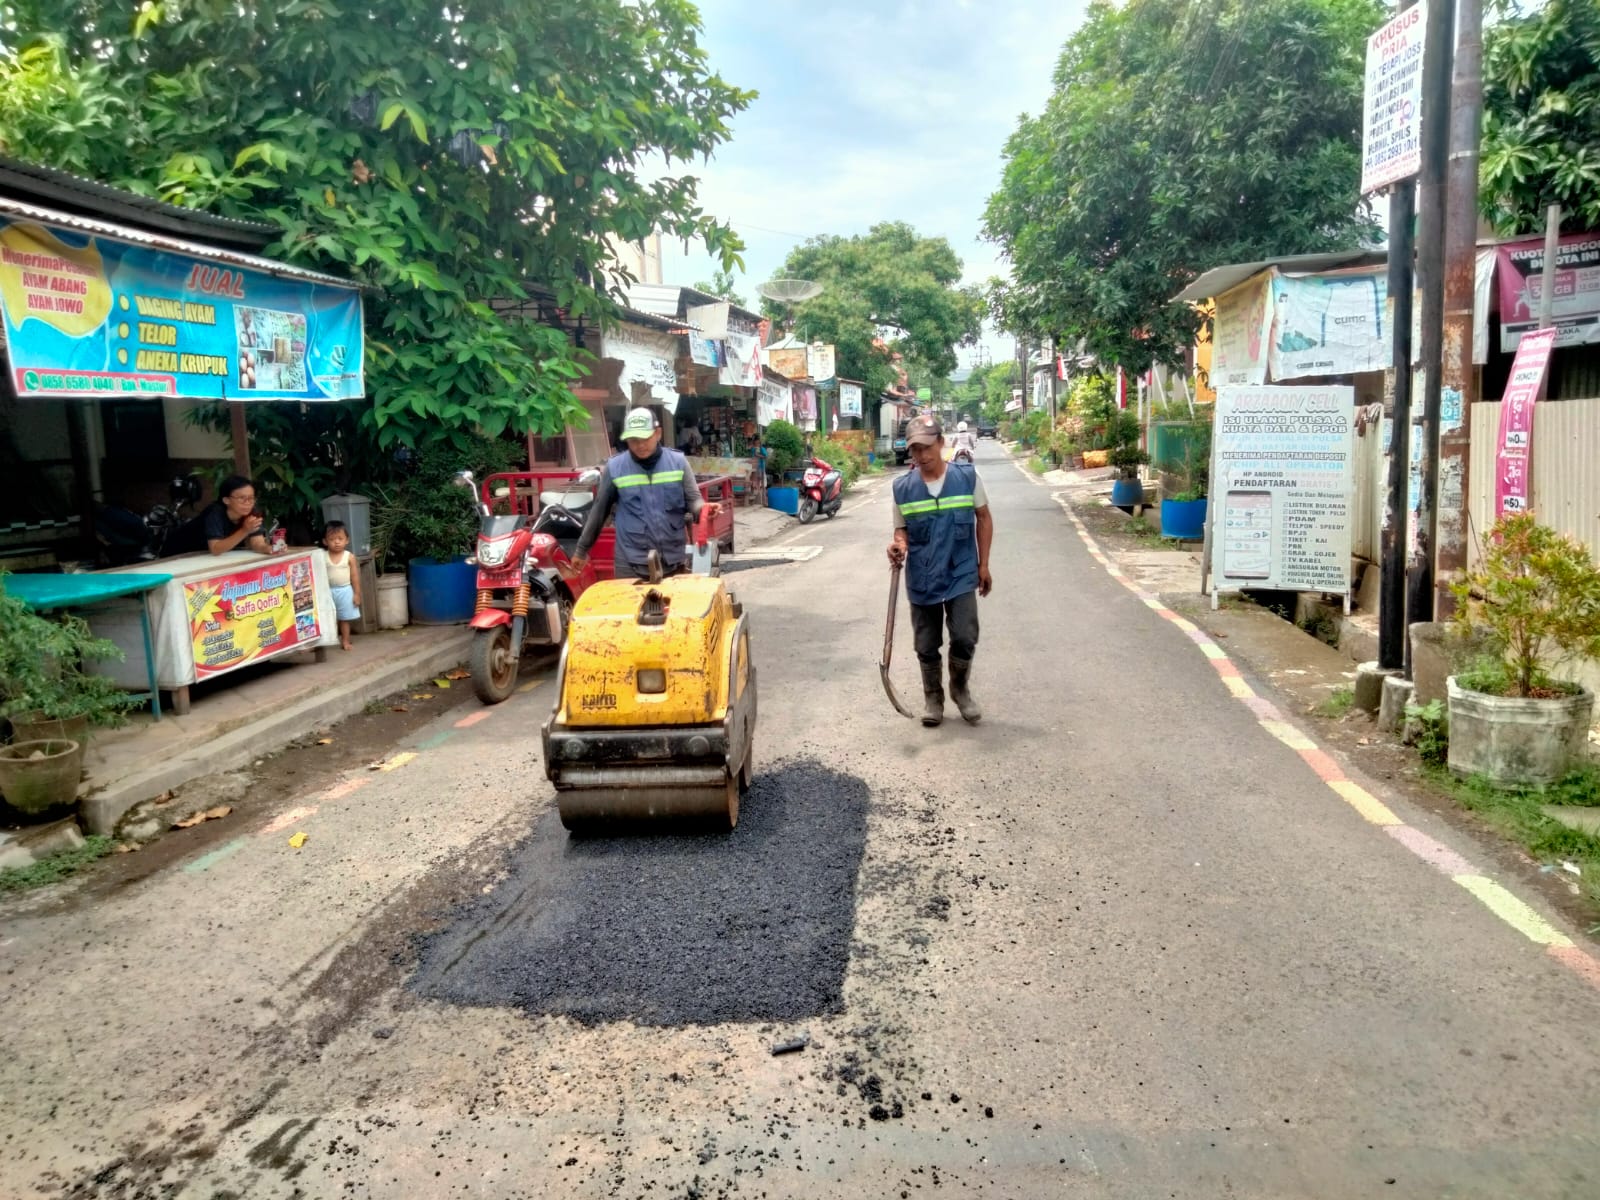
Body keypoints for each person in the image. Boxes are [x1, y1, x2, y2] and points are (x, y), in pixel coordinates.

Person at [887, 414, 994, 727]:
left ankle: (960, 689)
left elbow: (984, 518)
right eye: (915, 449)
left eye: (927, 446)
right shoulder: (902, 488)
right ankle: (933, 697)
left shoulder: (967, 478)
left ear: (941, 443)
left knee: (964, 635)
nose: (921, 455)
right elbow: (901, 530)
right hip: (922, 573)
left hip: (960, 570)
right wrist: (898, 545)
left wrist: (983, 564)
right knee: (926, 642)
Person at [573, 407, 720, 580]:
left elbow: (694, 500)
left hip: (672, 560)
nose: (640, 445)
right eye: (634, 440)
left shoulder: (678, 463)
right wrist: (581, 550)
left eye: (645, 438)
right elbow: (599, 513)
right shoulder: (615, 468)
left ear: (657, 433)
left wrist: (704, 509)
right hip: (630, 562)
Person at [162, 475, 282, 558]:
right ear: (226, 500)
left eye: (251, 498)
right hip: (178, 552)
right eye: (242, 498)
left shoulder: (251, 512)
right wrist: (245, 530)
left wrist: (269, 548)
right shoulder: (215, 513)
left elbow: (257, 543)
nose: (248, 503)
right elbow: (215, 548)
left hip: (204, 556)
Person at [321, 520, 362, 651]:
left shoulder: (349, 557)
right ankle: (325, 642)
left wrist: (356, 594)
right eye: (332, 539)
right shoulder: (323, 556)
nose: (337, 542)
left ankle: (345, 641)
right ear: (325, 541)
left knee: (344, 619)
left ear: (347, 540)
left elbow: (354, 576)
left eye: (340, 538)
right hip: (328, 591)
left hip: (345, 590)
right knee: (327, 617)